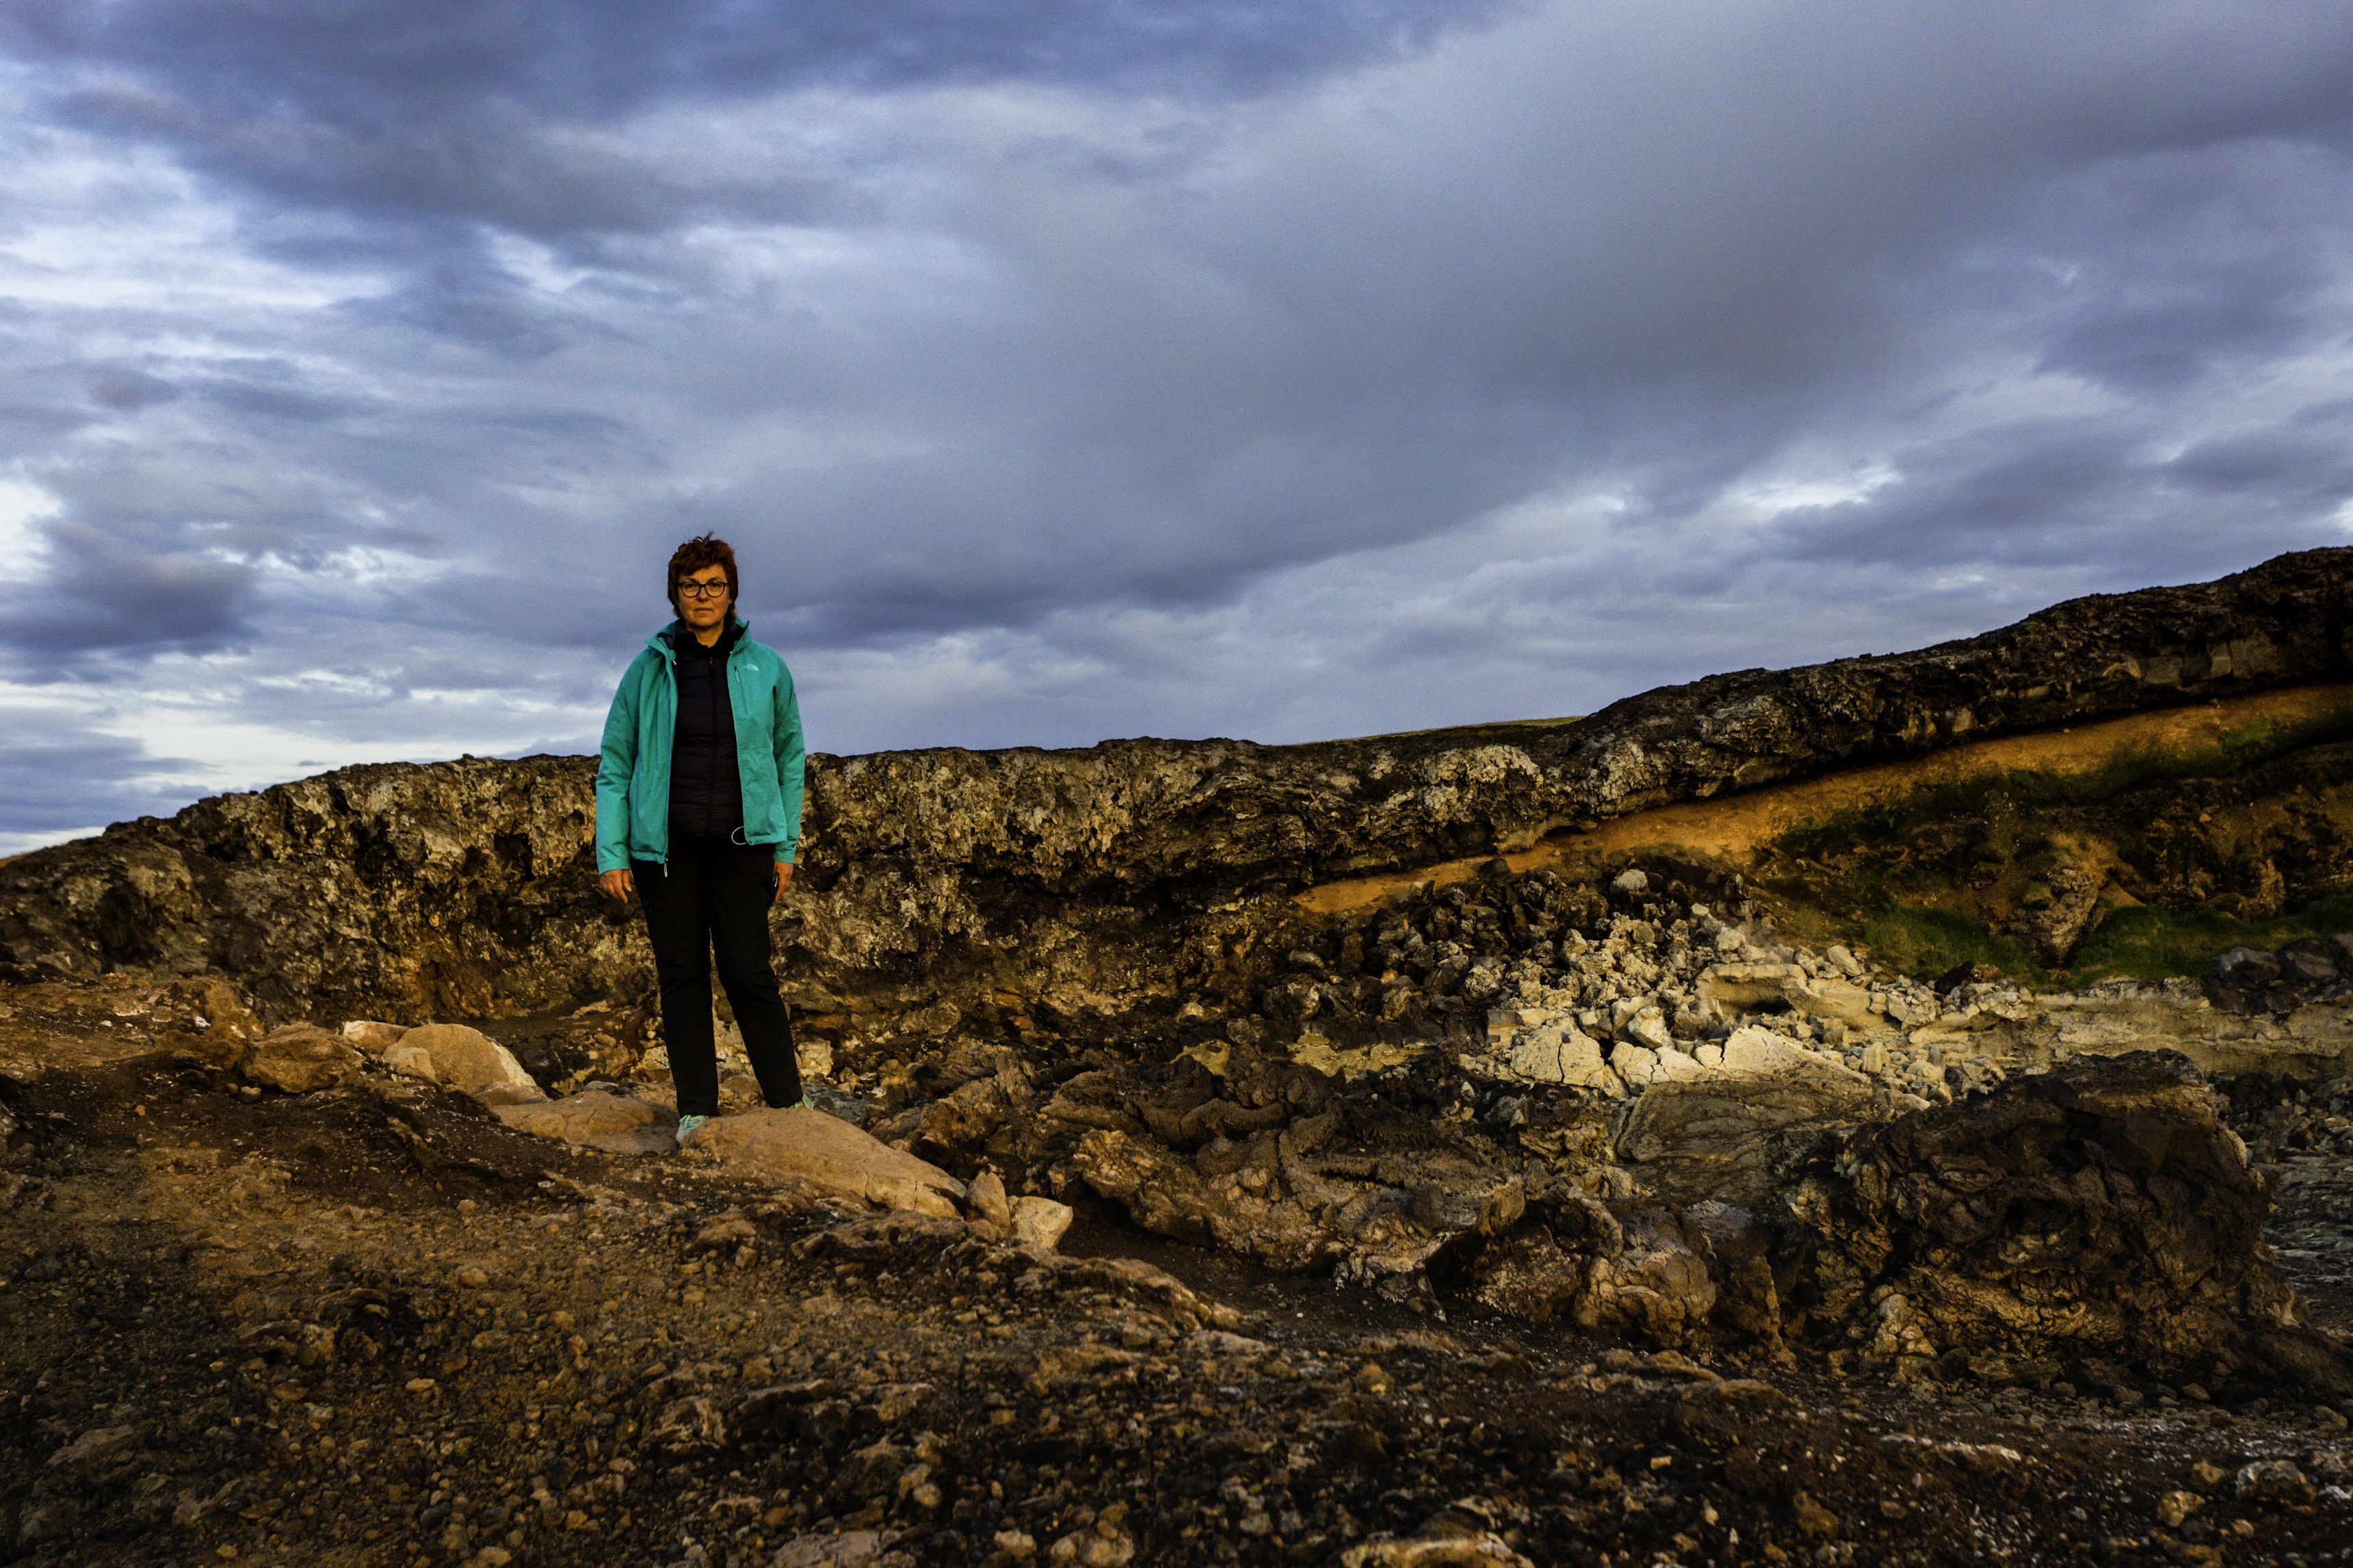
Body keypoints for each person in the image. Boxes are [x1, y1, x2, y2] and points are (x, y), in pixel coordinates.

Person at [594, 533, 809, 1143]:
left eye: (714, 584)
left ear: (732, 592)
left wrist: (785, 845)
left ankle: (789, 1104)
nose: (703, 596)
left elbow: (790, 756)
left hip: (744, 843)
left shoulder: (767, 667)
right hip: (668, 850)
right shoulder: (648, 670)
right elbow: (616, 762)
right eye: (691, 586)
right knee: (682, 974)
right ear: (675, 596)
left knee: (749, 971)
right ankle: (696, 1111)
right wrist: (613, 851)